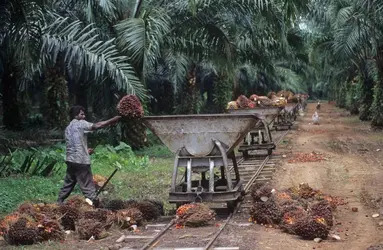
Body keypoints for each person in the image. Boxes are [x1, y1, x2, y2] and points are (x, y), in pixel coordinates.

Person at [57, 105, 121, 206]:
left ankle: (59, 202)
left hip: (71, 160)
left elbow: (74, 143)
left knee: (68, 183)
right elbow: (97, 126)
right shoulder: (81, 123)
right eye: (81, 114)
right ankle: (95, 205)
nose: (84, 116)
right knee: (87, 185)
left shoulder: (68, 128)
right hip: (81, 161)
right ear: (76, 115)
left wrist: (86, 150)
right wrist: (113, 120)